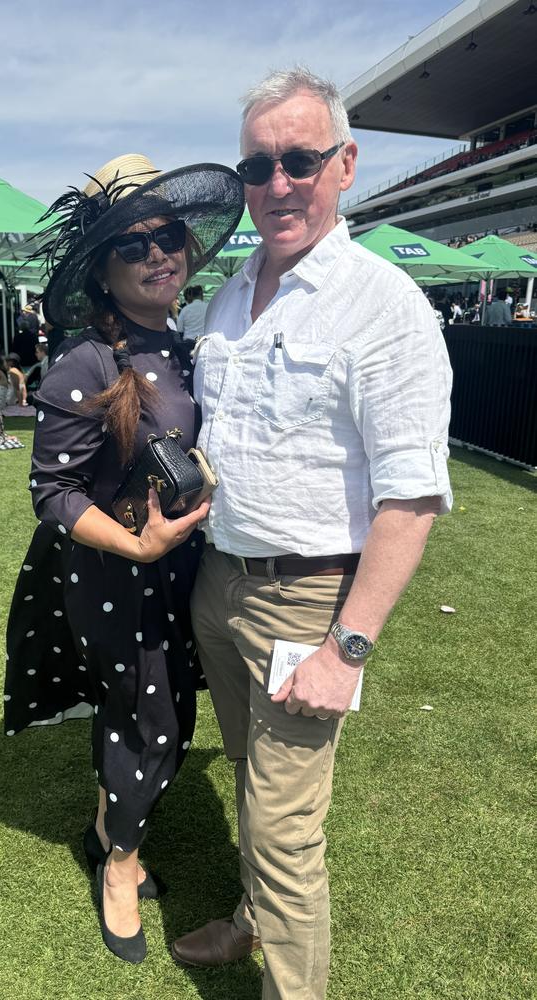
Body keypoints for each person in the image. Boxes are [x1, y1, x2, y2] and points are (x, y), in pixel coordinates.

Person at [170, 68, 453, 1000]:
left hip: (308, 599)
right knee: (254, 781)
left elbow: (410, 499)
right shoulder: (225, 298)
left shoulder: (384, 306)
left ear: (345, 164)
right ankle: (252, 921)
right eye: (259, 166)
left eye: (299, 160)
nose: (277, 184)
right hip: (221, 584)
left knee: (288, 829)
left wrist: (348, 648)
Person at [3, 153, 244, 965]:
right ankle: (120, 861)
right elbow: (54, 492)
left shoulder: (184, 348)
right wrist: (137, 542)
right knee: (150, 725)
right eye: (133, 245)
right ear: (103, 272)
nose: (157, 255)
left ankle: (109, 820)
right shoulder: (86, 361)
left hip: (181, 573)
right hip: (115, 576)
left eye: (167, 236)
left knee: (159, 717)